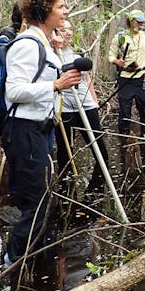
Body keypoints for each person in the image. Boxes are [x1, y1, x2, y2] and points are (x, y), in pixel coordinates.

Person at [2, 0, 82, 267]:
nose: (65, 11)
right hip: (25, 131)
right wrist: (57, 85)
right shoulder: (27, 44)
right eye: (61, 6)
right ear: (43, 10)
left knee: (43, 200)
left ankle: (33, 262)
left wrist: (61, 78)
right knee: (38, 204)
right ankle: (13, 264)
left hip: (39, 129)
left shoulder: (44, 44)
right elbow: (14, 91)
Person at [52, 19, 109, 198]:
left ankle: (96, 195)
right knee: (64, 152)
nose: (67, 33)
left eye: (69, 29)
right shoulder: (50, 53)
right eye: (62, 30)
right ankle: (68, 199)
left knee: (99, 149)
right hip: (65, 108)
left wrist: (94, 99)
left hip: (86, 106)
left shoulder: (77, 53)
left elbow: (87, 78)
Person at [107, 9, 145, 164]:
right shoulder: (120, 37)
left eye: (142, 21)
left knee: (143, 107)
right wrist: (117, 62)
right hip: (125, 78)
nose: (141, 24)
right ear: (130, 21)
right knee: (125, 110)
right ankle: (124, 143)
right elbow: (111, 56)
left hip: (141, 78)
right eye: (138, 21)